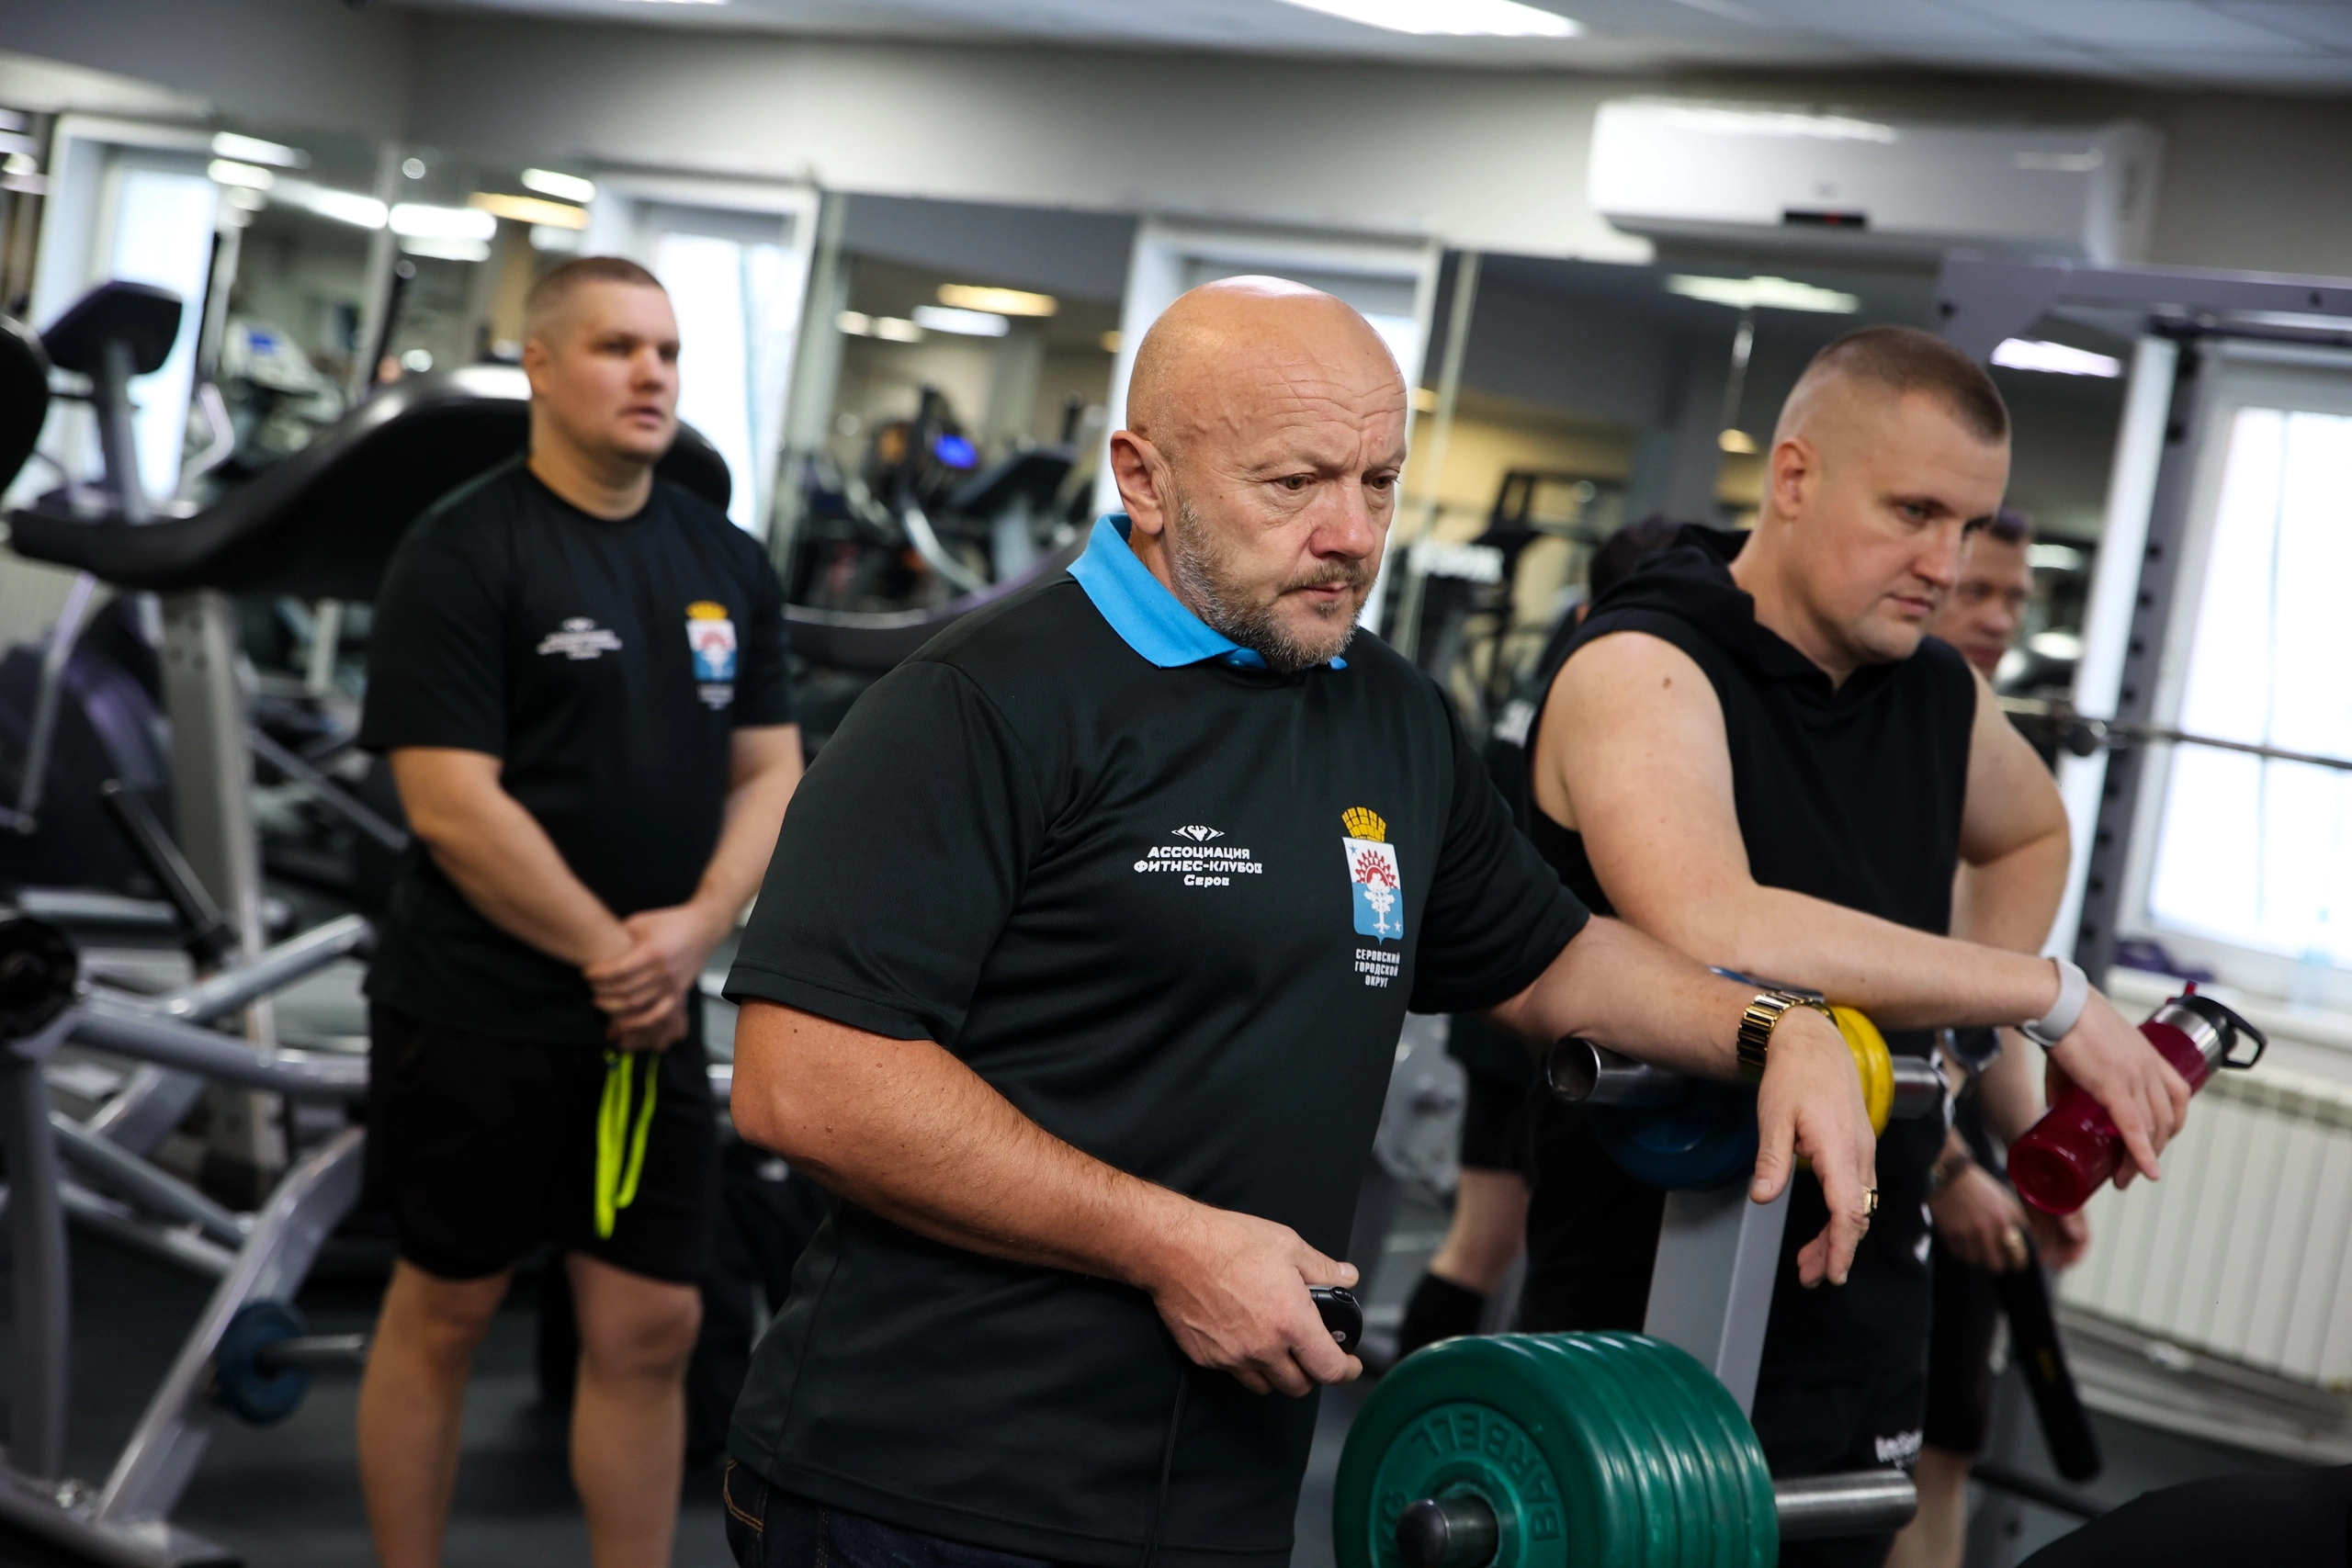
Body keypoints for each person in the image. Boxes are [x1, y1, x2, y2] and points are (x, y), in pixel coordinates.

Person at [715, 277, 1879, 1568]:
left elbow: (1551, 956)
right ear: (1144, 479)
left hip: (1222, 1498)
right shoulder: (980, 704)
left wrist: (1777, 1024)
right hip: (926, 1485)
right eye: (1295, 484)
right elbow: (804, 1079)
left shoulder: (1391, 712)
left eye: (1379, 482)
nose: (1352, 534)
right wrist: (1169, 1243)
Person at [1521, 326, 2190, 1567]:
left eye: (1968, 525)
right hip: (1649, 1286)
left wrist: (1964, 1050)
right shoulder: (1644, 663)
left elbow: (2029, 830)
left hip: (1866, 1277)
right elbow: (1713, 923)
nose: (1947, 564)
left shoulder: (1936, 690)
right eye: (1914, 512)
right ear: (1793, 477)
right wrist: (2044, 993)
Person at [354, 254, 804, 1568]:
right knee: (447, 1313)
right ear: (540, 366)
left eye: (666, 350)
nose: (651, 372)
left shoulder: (725, 560)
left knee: (653, 1328)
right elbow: (450, 803)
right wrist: (617, 950)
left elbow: (772, 771)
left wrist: (694, 929)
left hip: (648, 1017)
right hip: (479, 1007)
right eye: (616, 347)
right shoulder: (464, 548)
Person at [1396, 513, 1685, 1360]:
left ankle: (1423, 1405)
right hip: (1539, 993)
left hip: (1512, 989)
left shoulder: (1552, 685)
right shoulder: (1606, 702)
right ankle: (1423, 1408)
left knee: (1487, 1241)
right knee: (1498, 1244)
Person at [1890, 506, 2089, 1568]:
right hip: (1877, 1144)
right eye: (1977, 592)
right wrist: (1947, 1171)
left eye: (2016, 598)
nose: (2001, 620)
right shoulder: (1889, 752)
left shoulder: (1987, 762)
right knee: (1864, 1454)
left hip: (1949, 1149)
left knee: (1944, 1448)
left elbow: (1990, 1013)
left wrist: (2026, 1163)